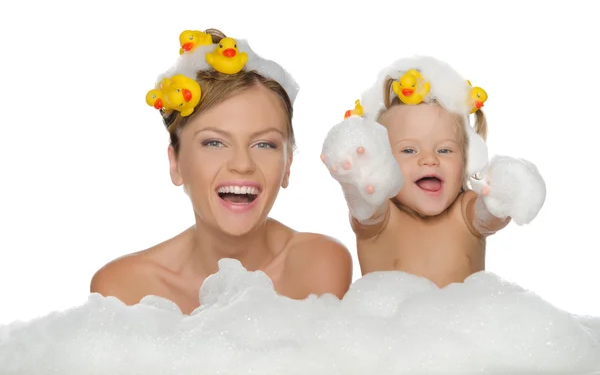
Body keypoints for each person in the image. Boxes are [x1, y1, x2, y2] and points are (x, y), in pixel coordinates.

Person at [91, 28, 353, 314]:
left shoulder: (319, 266)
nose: (242, 164)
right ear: (175, 163)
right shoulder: (122, 291)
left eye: (264, 144)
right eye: (214, 142)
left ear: (287, 165)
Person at [321, 55, 546, 288]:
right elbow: (366, 208)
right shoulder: (382, 219)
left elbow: (488, 217)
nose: (429, 159)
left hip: (468, 323)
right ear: (383, 160)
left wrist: (505, 194)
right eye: (409, 150)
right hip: (389, 324)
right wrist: (357, 181)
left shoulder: (465, 211)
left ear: (466, 161)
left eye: (445, 150)